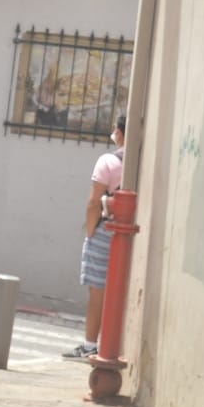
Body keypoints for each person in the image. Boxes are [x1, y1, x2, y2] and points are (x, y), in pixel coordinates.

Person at [65, 115, 126, 359]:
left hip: (104, 230)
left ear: (119, 132)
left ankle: (90, 344)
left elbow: (93, 202)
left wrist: (90, 231)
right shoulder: (140, 162)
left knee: (97, 292)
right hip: (126, 231)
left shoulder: (108, 161)